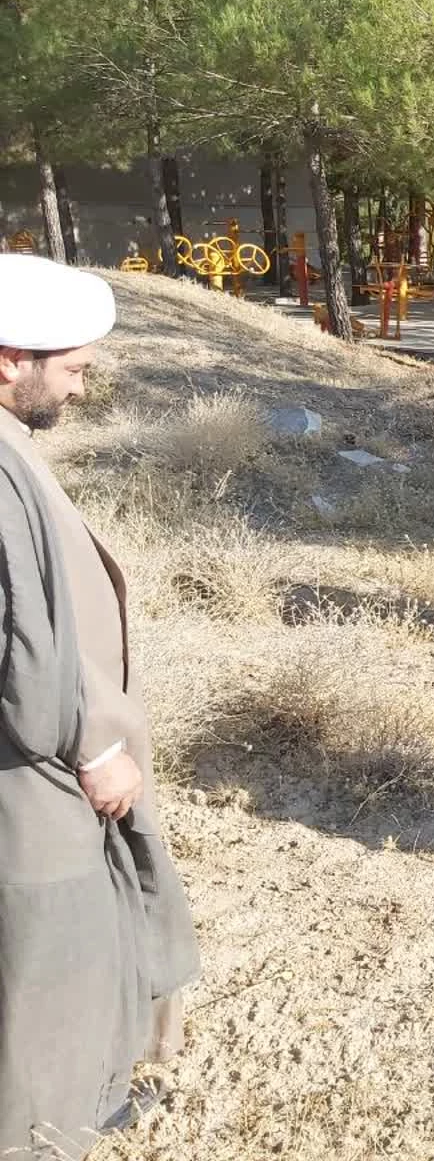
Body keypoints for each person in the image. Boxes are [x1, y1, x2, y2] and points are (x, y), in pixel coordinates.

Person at [0, 254, 198, 1159]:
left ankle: (89, 1094)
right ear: (12, 358)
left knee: (78, 934)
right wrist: (89, 746)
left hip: (48, 752)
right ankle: (42, 1133)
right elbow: (16, 638)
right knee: (47, 949)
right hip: (35, 765)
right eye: (73, 368)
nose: (81, 387)